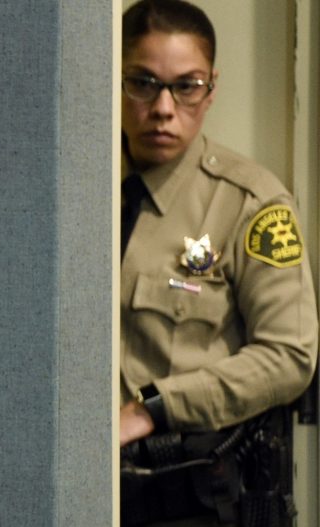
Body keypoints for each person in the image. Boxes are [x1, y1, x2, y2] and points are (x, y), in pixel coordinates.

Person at [117, 1, 318, 525]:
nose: (163, 107)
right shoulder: (67, 195)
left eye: (186, 86)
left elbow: (289, 356)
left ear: (211, 89)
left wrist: (153, 408)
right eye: (142, 82)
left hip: (189, 499)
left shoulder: (250, 204)